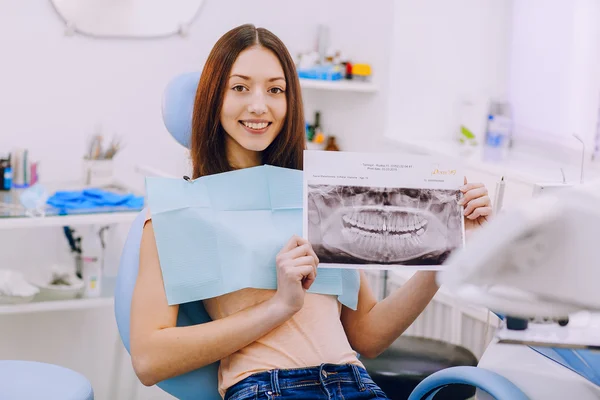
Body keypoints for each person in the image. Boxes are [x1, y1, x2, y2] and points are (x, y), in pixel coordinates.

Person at [130, 24, 493, 400]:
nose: (259, 104)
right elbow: (149, 360)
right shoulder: (177, 210)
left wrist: (449, 249)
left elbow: (369, 336)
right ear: (212, 98)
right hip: (268, 387)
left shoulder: (319, 196)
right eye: (239, 87)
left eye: (275, 89)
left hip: (358, 384)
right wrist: (279, 306)